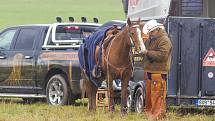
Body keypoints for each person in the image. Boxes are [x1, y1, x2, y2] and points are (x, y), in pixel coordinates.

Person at [141, 19, 172, 120]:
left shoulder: (164, 40)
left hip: (158, 72)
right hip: (152, 72)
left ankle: (156, 116)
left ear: (157, 30)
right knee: (152, 96)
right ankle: (152, 115)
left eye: (151, 32)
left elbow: (163, 56)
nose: (150, 34)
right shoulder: (153, 39)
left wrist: (147, 52)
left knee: (157, 96)